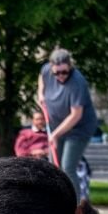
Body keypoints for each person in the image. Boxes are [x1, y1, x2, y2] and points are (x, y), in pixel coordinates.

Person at [36, 48, 98, 202]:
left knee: (67, 166)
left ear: (70, 66)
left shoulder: (77, 82)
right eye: (57, 73)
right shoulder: (46, 71)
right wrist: (41, 94)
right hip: (56, 125)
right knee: (53, 168)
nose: (61, 76)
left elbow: (76, 115)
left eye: (64, 72)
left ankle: (75, 207)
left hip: (78, 128)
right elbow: (41, 78)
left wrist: (55, 134)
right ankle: (56, 204)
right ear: (51, 68)